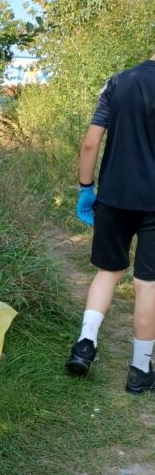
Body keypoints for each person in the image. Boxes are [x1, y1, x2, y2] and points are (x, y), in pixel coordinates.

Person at [65, 56, 155, 393]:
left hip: (114, 197)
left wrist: (86, 189)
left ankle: (85, 345)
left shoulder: (117, 82)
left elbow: (90, 143)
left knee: (108, 271)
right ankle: (139, 369)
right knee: (148, 284)